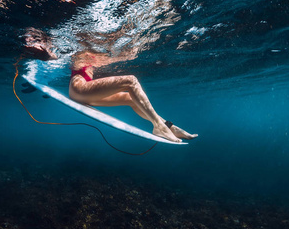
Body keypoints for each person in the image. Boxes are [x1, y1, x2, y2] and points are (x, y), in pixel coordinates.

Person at [21, 29, 198, 143]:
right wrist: (44, 53)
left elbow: (120, 56)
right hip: (79, 90)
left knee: (131, 98)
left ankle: (166, 125)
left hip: (85, 93)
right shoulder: (77, 50)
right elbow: (55, 57)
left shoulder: (96, 55)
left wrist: (132, 51)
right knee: (131, 80)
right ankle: (159, 126)